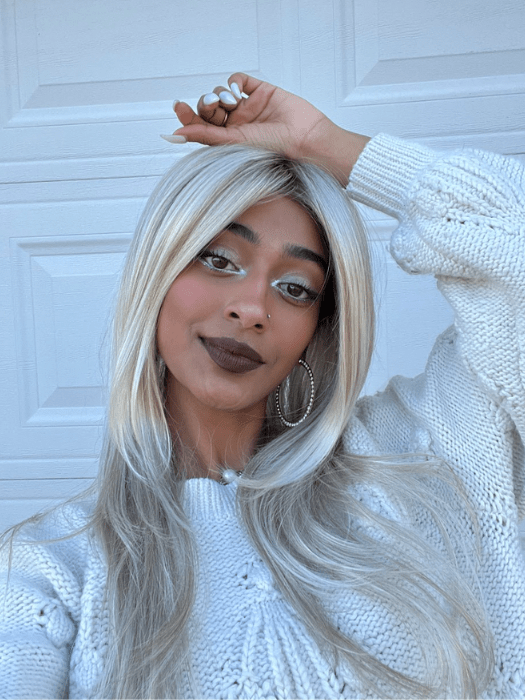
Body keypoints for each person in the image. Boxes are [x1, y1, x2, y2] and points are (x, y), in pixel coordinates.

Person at [0, 72, 524, 700]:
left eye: (295, 288)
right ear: (157, 275)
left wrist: (326, 144)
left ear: (316, 331)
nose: (252, 309)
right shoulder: (52, 565)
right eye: (218, 259)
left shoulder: (413, 457)